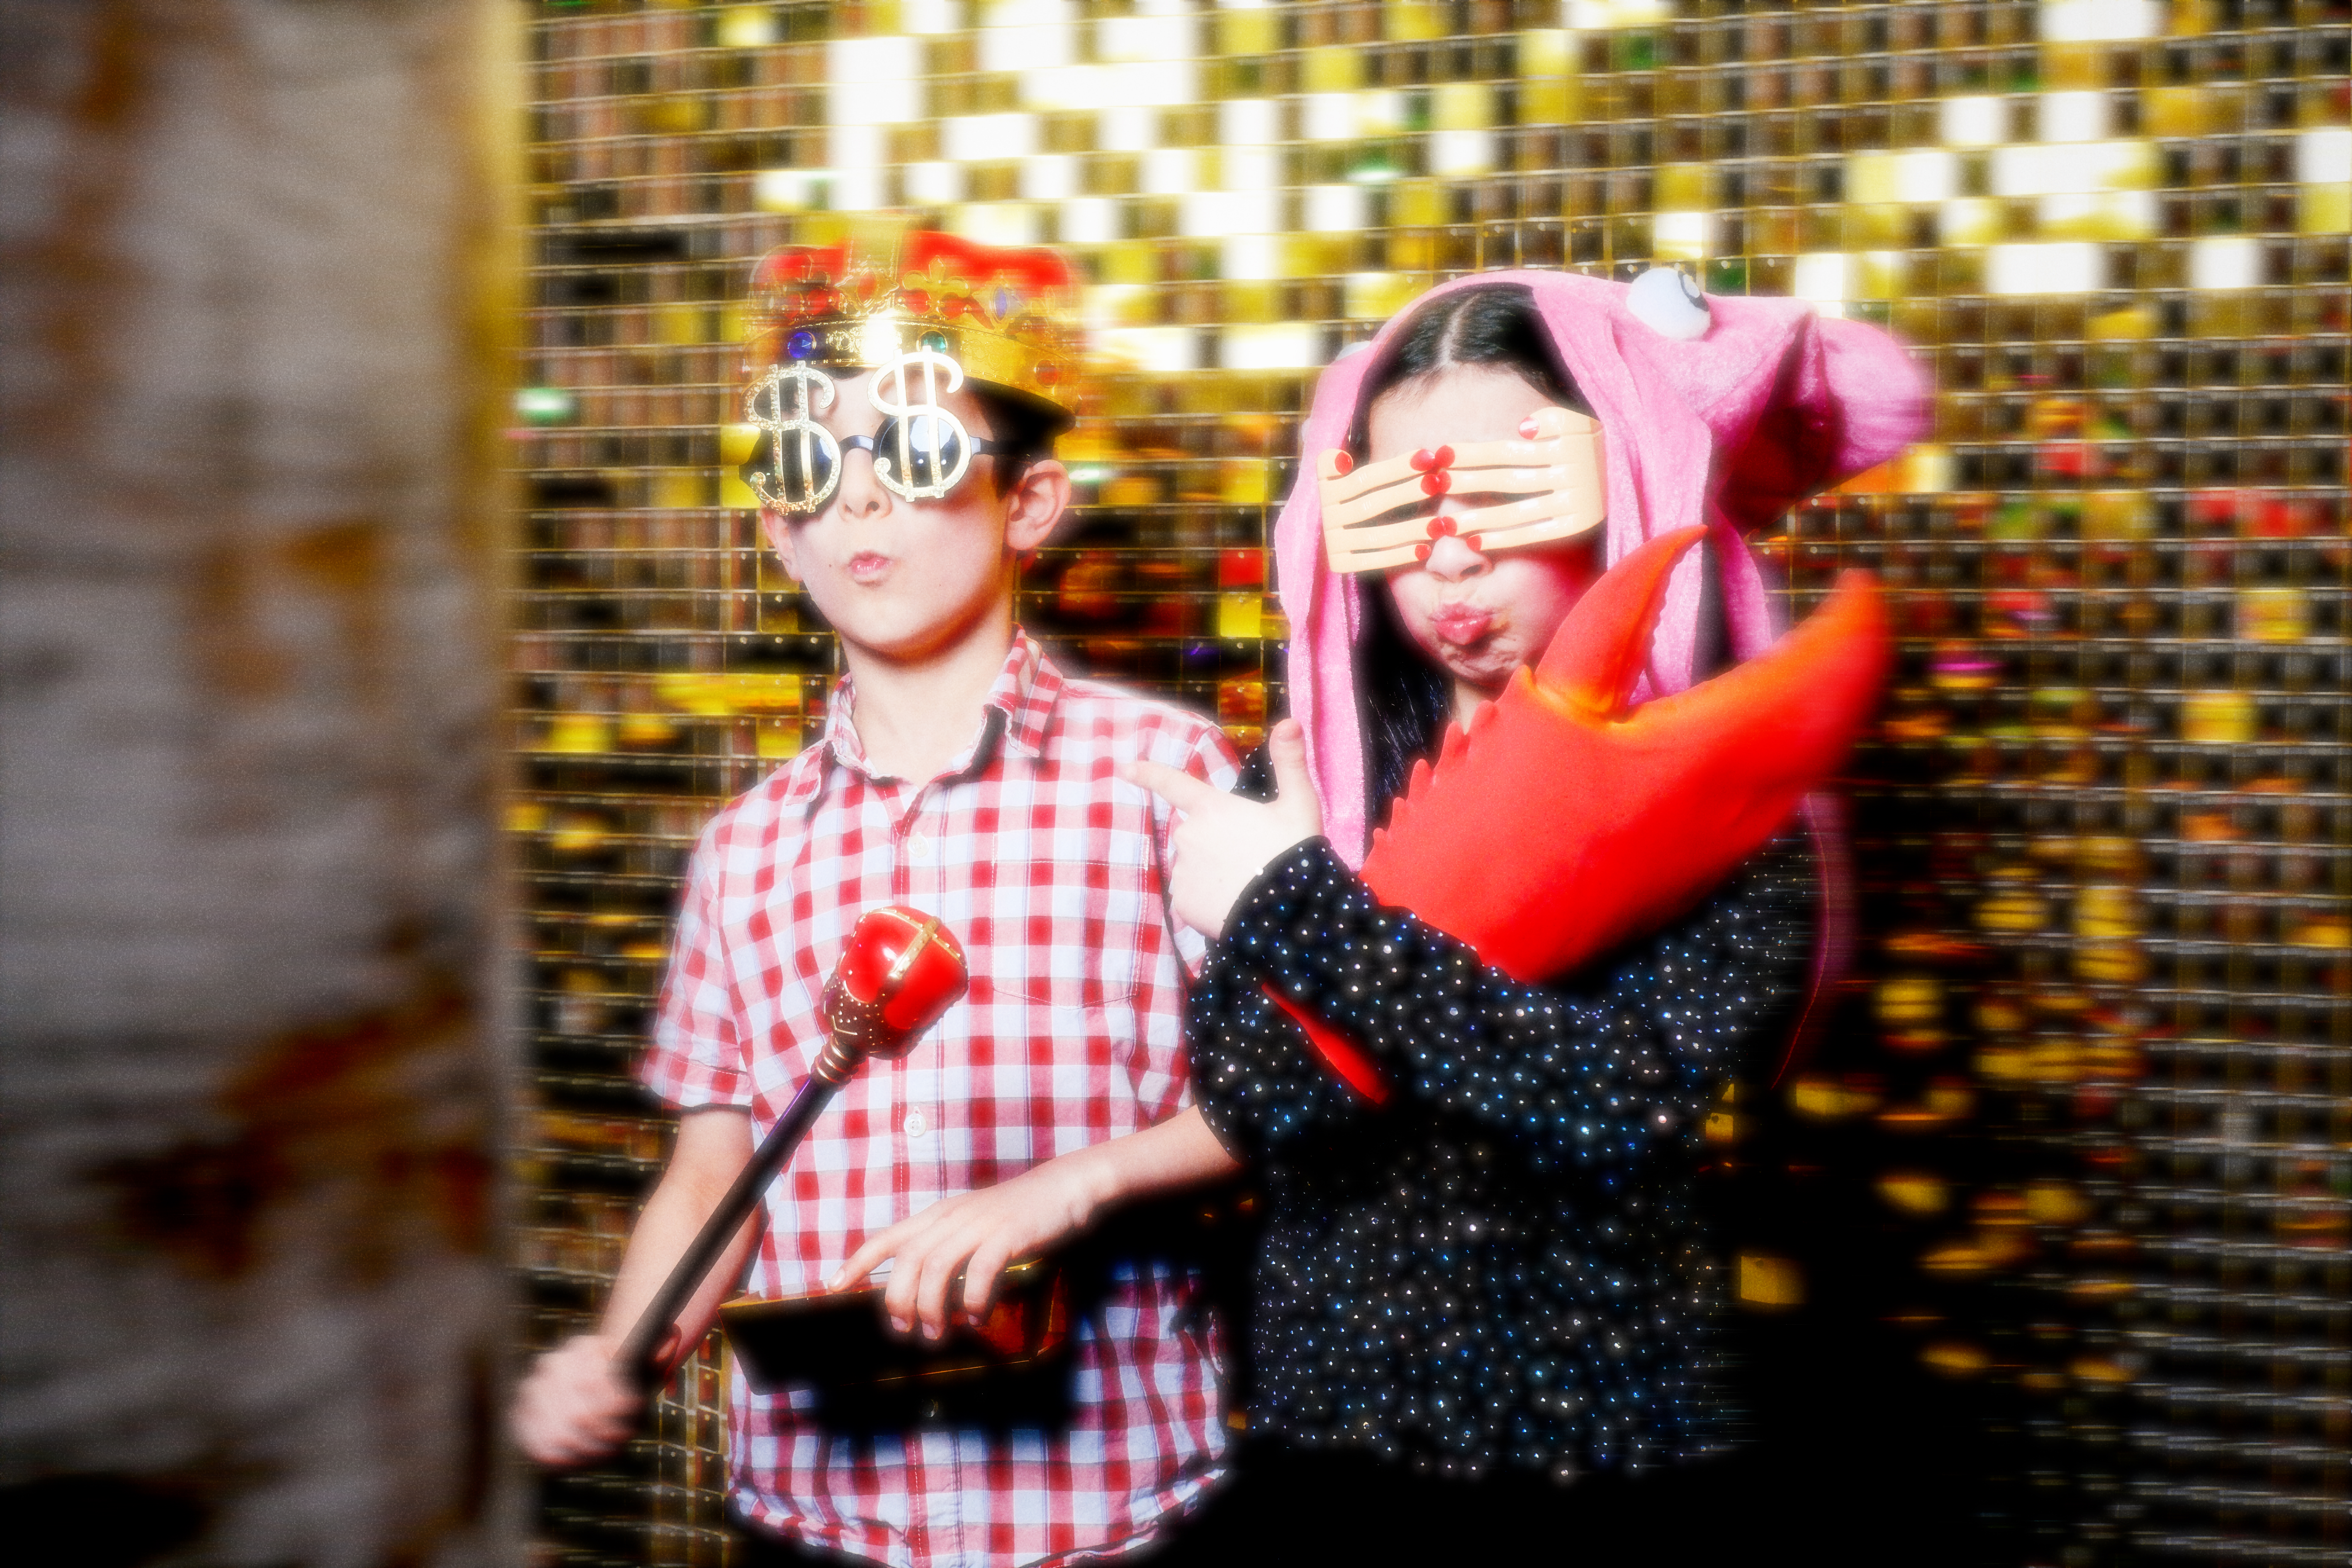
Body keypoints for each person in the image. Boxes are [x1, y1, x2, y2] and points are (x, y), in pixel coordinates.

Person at [509, 230, 1242, 1568]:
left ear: (1028, 503)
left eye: (907, 455)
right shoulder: (743, 850)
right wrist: (619, 1356)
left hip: (1111, 1507)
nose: (856, 504)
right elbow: (714, 1169)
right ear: (778, 533)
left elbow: (1281, 1096)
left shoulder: (1167, 777)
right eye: (809, 472)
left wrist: (1068, 1190)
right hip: (817, 1519)